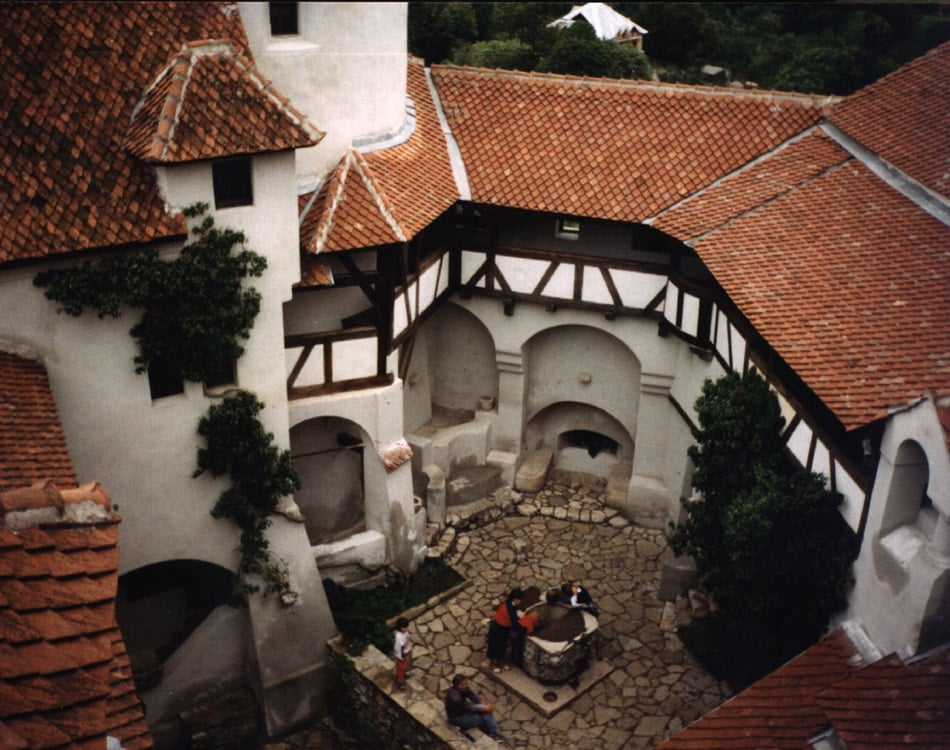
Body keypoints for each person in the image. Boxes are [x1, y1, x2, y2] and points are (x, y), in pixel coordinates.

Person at [445, 674, 504, 741]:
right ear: (456, 686)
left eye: (466, 683)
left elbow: (471, 695)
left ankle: (495, 730)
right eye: (462, 684)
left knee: (485, 710)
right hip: (457, 717)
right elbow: (469, 707)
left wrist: (481, 702)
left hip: (464, 710)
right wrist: (484, 708)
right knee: (478, 719)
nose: (465, 685)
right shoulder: (456, 698)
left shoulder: (464, 688)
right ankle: (489, 733)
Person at [487, 587, 523, 672]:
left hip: (500, 627)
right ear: (515, 599)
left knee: (501, 646)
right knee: (496, 647)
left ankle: (498, 662)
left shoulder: (509, 604)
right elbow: (513, 622)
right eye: (520, 599)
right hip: (498, 629)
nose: (521, 601)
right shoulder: (510, 608)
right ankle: (492, 664)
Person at [393, 616, 412, 691]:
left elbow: (407, 638)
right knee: (401, 667)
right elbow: (399, 648)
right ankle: (400, 680)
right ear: (401, 628)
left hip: (405, 652)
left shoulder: (405, 632)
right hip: (401, 655)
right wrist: (401, 656)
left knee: (404, 666)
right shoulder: (398, 637)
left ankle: (403, 675)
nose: (407, 628)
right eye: (406, 627)